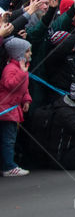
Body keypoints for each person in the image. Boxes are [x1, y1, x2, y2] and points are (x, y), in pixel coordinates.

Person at [0, 38, 32, 177]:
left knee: (10, 138)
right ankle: (9, 166)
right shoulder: (11, 69)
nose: (30, 53)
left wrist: (26, 99)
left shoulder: (20, 68)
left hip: (13, 109)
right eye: (27, 51)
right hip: (6, 109)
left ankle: (8, 164)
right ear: (18, 53)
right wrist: (22, 73)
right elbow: (10, 84)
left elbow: (23, 88)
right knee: (8, 139)